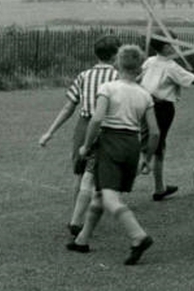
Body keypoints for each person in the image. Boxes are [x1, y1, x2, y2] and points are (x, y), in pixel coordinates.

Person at [66, 45, 160, 266]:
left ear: (117, 63)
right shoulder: (145, 95)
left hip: (110, 143)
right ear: (140, 69)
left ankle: (138, 236)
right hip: (132, 145)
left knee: (110, 198)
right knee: (100, 195)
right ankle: (83, 240)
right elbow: (154, 132)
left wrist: (85, 146)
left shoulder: (108, 88)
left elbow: (97, 119)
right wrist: (147, 158)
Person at [39, 35, 120, 236]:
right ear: (116, 54)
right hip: (110, 127)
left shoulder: (84, 75)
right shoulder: (119, 77)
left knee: (81, 172)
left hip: (84, 127)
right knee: (101, 176)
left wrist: (50, 132)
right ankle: (89, 219)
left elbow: (69, 107)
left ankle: (76, 218)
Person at [139, 30, 194, 201]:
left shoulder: (149, 61)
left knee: (154, 146)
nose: (177, 46)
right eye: (173, 44)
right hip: (161, 109)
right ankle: (120, 188)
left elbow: (138, 79)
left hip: (144, 105)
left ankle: (159, 188)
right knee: (155, 148)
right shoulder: (171, 67)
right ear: (166, 47)